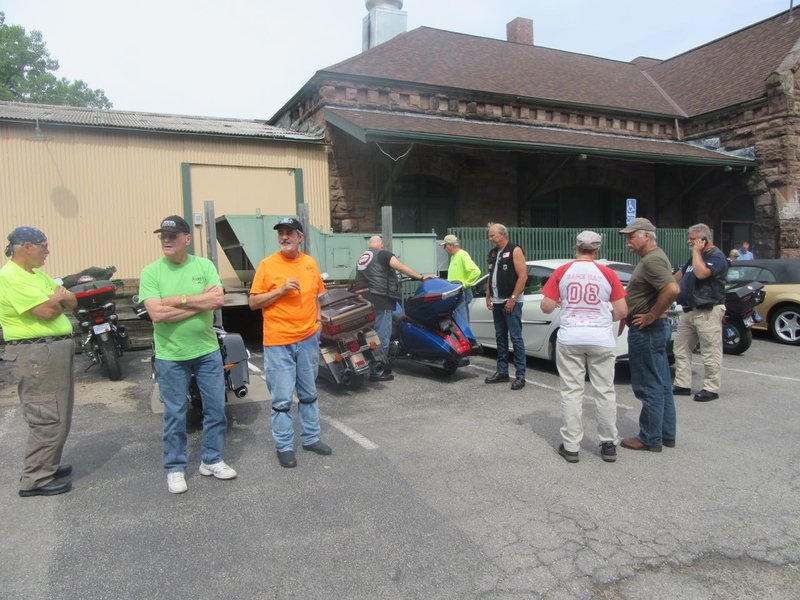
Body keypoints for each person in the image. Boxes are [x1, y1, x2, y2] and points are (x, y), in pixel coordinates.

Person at [139, 215, 237, 494]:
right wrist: (198, 303)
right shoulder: (151, 272)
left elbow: (218, 300)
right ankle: (175, 467)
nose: (166, 241)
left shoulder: (204, 265)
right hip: (171, 355)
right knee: (175, 413)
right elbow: (157, 315)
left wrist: (178, 300)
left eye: (172, 236)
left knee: (216, 408)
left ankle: (211, 459)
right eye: (163, 237)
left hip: (206, 352)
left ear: (187, 239)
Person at [249, 217, 331, 468]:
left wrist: (317, 324)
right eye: (281, 233)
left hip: (307, 338)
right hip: (278, 341)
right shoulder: (267, 265)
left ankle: (310, 438)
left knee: (309, 393)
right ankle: (284, 446)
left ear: (300, 238)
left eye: (289, 233)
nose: (284, 237)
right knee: (282, 399)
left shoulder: (309, 264)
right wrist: (280, 290)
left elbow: (318, 295)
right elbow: (253, 303)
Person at [0, 227, 76, 497]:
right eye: (44, 245)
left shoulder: (35, 274)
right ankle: (35, 478)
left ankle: (47, 464)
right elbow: (46, 311)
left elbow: (71, 301)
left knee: (59, 412)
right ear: (27, 247)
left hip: (50, 350)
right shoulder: (11, 277)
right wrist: (57, 299)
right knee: (46, 413)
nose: (47, 251)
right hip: (35, 354)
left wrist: (60, 297)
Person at [541, 231, 628, 463]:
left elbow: (546, 307)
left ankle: (571, 446)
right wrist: (602, 316)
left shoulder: (562, 271)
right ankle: (608, 443)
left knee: (571, 392)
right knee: (605, 390)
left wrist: (563, 301)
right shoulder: (607, 273)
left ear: (576, 247)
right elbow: (621, 312)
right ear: (597, 250)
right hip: (600, 338)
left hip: (570, 337)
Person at [618, 218, 680, 452]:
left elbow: (672, 288)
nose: (627, 241)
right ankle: (665, 434)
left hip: (648, 330)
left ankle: (650, 437)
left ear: (646, 236)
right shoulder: (654, 257)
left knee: (649, 385)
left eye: (631, 236)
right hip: (653, 329)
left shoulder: (652, 260)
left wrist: (652, 315)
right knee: (662, 383)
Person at [355, 235, 436, 382]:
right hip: (382, 299)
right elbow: (400, 267)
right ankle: (378, 371)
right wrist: (421, 277)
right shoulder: (383, 254)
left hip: (367, 301)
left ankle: (375, 365)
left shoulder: (363, 257)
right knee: (382, 336)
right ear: (381, 244)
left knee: (371, 336)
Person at [672, 224, 728, 402]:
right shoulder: (695, 258)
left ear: (703, 239)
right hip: (690, 310)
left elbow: (702, 273)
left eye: (692, 238)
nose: (689, 241)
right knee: (680, 348)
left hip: (707, 310)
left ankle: (711, 388)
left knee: (710, 351)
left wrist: (696, 252)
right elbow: (680, 275)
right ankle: (682, 384)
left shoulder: (716, 256)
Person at [485, 223, 528, 390]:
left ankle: (520, 375)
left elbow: (523, 276)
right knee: (500, 337)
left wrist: (513, 298)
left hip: (510, 301)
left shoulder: (515, 250)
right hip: (496, 300)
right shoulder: (494, 252)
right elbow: (491, 275)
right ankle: (502, 371)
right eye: (489, 235)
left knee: (516, 338)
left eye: (492, 235)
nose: (490, 239)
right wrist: (488, 294)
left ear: (503, 234)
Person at [440, 234, 481, 325]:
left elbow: (476, 271)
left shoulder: (462, 255)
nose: (444, 248)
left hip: (460, 291)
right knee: (458, 318)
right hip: (456, 290)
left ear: (450, 245)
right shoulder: (454, 256)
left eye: (445, 245)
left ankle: (465, 337)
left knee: (461, 319)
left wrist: (465, 284)